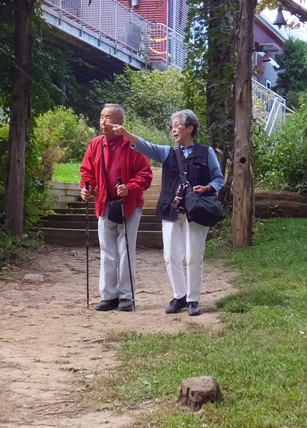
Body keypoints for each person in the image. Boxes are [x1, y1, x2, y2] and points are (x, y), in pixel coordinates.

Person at [109, 109, 224, 317]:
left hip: (196, 211)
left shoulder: (206, 152)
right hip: (171, 210)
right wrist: (125, 133)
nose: (173, 129)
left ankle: (193, 299)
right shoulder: (168, 152)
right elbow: (146, 147)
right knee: (171, 256)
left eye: (177, 124)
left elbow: (218, 178)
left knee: (193, 257)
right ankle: (179, 296)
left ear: (190, 128)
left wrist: (207, 188)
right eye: (172, 125)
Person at [80, 104, 153, 312]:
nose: (104, 121)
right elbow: (87, 172)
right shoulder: (95, 145)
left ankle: (126, 297)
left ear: (120, 122)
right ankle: (108, 296)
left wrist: (130, 188)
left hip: (128, 205)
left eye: (108, 118)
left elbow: (145, 174)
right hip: (104, 204)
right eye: (102, 117)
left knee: (125, 251)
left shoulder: (132, 145)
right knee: (107, 251)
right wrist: (86, 188)